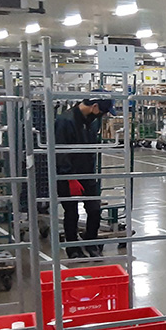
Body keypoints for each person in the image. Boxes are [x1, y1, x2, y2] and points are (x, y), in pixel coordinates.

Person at [55, 96, 113, 258]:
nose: (102, 115)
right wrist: (69, 178)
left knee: (94, 209)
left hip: (87, 173)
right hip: (68, 175)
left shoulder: (90, 121)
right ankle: (73, 248)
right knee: (71, 212)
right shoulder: (65, 121)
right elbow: (60, 151)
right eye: (102, 111)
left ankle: (91, 242)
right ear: (95, 106)